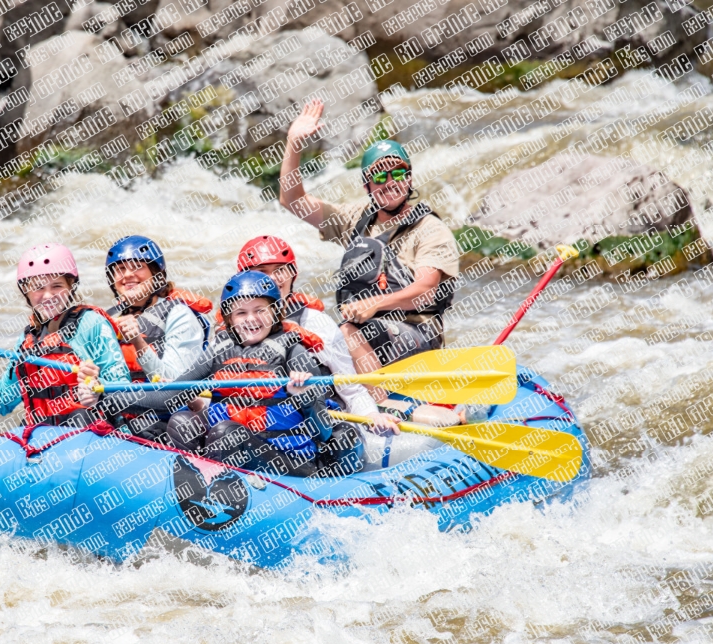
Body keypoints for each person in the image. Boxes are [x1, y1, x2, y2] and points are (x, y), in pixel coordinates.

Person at [278, 99, 461, 380]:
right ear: (367, 185)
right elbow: (292, 201)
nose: (390, 182)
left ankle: (382, 406)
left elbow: (425, 291)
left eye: (398, 173)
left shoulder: (430, 229)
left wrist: (374, 304)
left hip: (418, 338)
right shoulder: (355, 219)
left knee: (348, 332)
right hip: (366, 336)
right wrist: (294, 143)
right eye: (379, 176)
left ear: (409, 179)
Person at [117, 271, 366, 477]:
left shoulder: (293, 351)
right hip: (229, 454)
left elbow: (322, 430)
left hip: (286, 461)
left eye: (260, 310)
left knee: (227, 432)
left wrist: (304, 397)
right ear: (229, 318)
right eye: (241, 312)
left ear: (276, 312)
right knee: (183, 423)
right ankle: (194, 485)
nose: (251, 319)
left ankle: (216, 490)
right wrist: (111, 400)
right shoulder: (219, 351)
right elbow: (168, 398)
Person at [236, 235, 403, 434]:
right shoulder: (232, 325)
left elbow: (350, 389)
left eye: (280, 271)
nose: (273, 279)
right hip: (246, 423)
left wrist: (371, 416)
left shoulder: (316, 323)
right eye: (262, 272)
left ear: (292, 275)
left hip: (306, 428)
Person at [0, 243, 130, 429]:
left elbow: (123, 389)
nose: (48, 296)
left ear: (71, 287)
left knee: (80, 416)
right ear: (27, 292)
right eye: (38, 288)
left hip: (93, 432)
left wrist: (98, 391)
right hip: (45, 436)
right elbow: (1, 402)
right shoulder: (29, 340)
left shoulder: (91, 324)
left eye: (57, 286)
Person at [104, 235, 211, 439]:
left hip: (166, 421)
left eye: (137, 266)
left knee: (144, 425)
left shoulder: (179, 315)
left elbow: (173, 391)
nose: (128, 275)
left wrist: (138, 342)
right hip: (121, 417)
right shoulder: (107, 320)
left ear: (156, 274)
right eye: (120, 269)